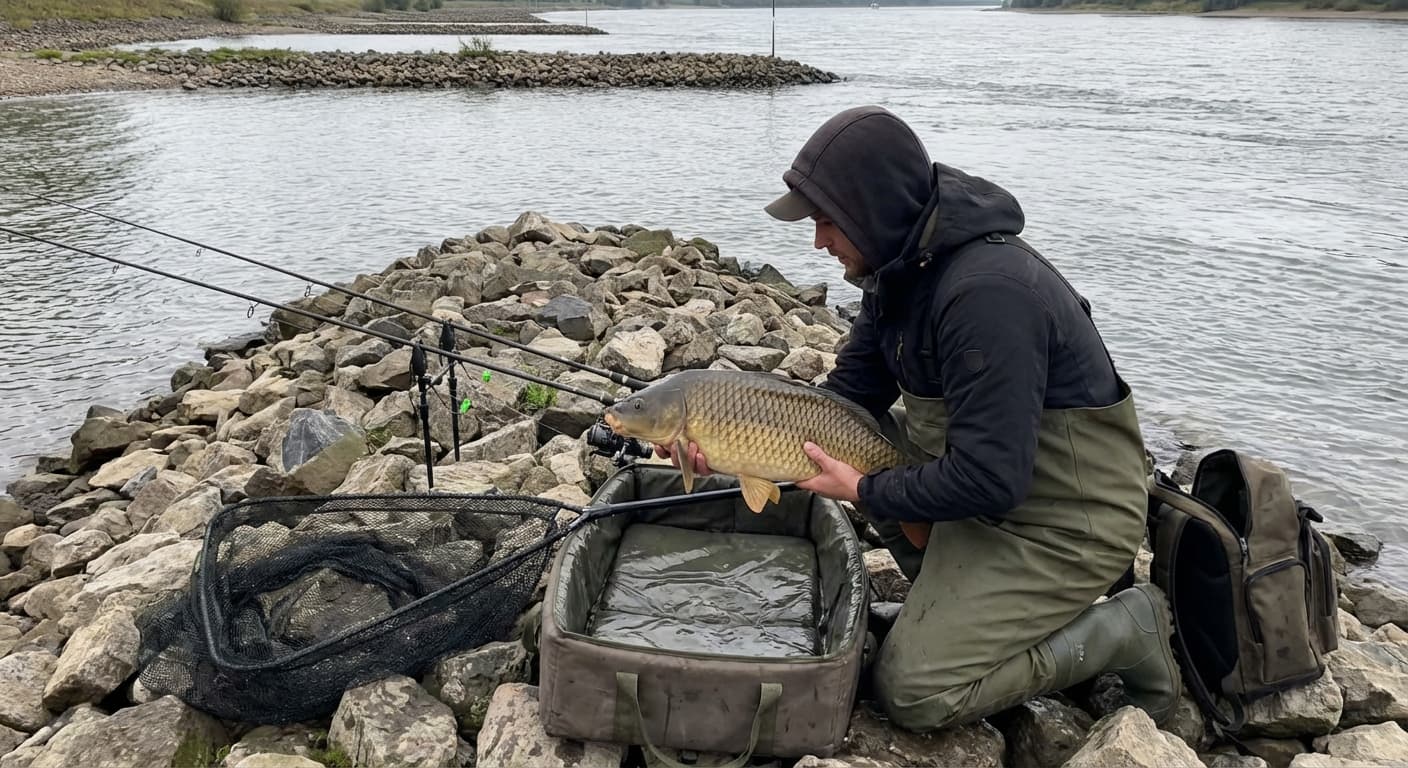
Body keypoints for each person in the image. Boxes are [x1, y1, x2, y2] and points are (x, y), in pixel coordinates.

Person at [655, 105, 1182, 733]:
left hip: (1063, 521)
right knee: (863, 455)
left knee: (912, 692)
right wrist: (732, 449)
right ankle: (969, 598)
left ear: (869, 211)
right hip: (982, 494)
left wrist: (869, 491)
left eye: (826, 221)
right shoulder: (897, 271)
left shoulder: (989, 296)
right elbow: (845, 403)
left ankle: (1126, 628)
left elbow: (994, 478)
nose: (819, 241)